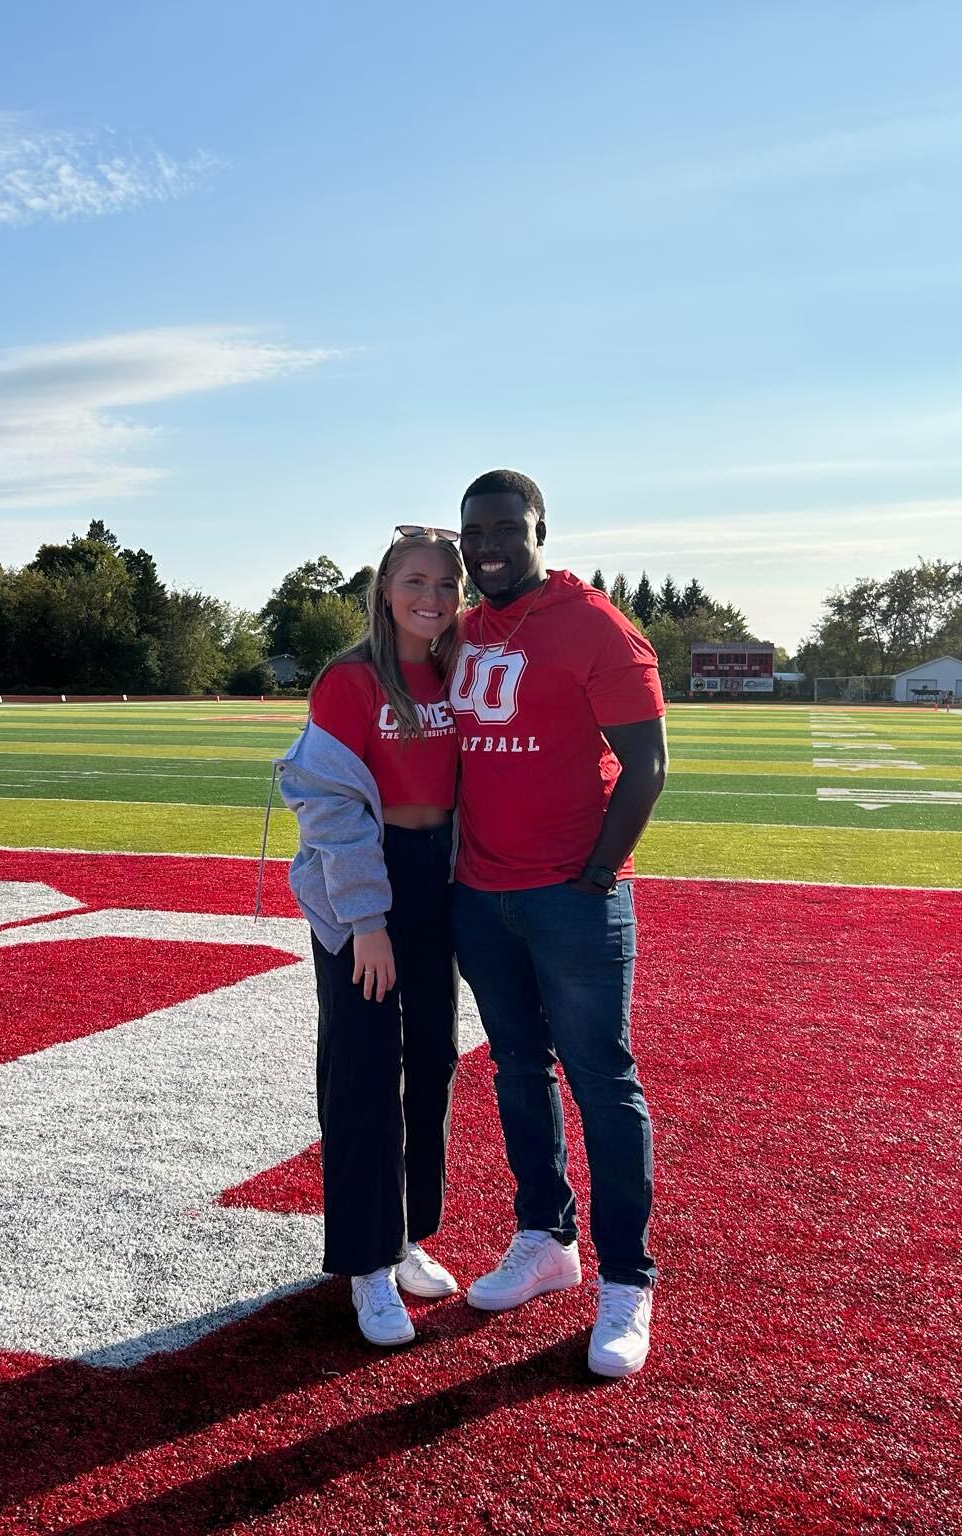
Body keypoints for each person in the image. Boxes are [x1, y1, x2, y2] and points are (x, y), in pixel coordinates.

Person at [448, 469, 669, 1381]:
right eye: (475, 532)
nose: (488, 545)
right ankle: (546, 1236)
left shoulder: (595, 624)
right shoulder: (463, 630)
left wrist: (589, 877)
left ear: (541, 528)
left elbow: (648, 765)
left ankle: (628, 1278)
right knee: (513, 1068)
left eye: (506, 528)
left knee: (602, 1079)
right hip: (480, 892)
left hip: (570, 897)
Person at [277, 528, 467, 1347]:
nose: (432, 597)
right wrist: (366, 922)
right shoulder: (350, 679)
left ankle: (407, 1234)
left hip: (442, 884)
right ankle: (364, 1261)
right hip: (363, 885)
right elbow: (324, 803)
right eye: (416, 580)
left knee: (433, 1058)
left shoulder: (465, 674)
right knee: (361, 1068)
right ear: (386, 588)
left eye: (448, 584)